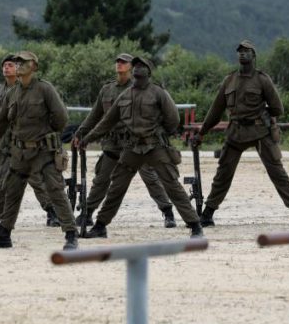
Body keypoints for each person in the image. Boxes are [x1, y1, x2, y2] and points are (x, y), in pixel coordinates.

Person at [80, 57, 202, 239]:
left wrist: (160, 133)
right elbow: (107, 121)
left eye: (141, 66)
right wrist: (87, 138)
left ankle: (195, 226)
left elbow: (173, 119)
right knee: (116, 187)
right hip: (132, 148)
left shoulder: (158, 92)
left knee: (172, 185)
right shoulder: (125, 95)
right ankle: (100, 226)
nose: (137, 69)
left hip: (155, 147)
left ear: (149, 72)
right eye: (135, 66)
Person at [195, 40, 289, 229]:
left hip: (260, 132)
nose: (242, 54)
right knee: (223, 174)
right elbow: (215, 112)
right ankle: (207, 215)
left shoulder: (262, 79)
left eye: (247, 51)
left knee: (277, 172)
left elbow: (277, 108)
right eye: (240, 51)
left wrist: (264, 115)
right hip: (236, 132)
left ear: (253, 56)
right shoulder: (229, 81)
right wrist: (202, 133)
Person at [0, 51, 79, 250]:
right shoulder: (12, 93)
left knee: (56, 191)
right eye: (17, 62)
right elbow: (0, 122)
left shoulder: (44, 89)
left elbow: (61, 118)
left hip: (44, 152)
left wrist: (47, 135)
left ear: (34, 67)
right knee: (11, 191)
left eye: (24, 62)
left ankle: (71, 235)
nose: (19, 64)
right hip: (19, 153)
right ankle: (4, 235)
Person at [73, 53, 177, 229]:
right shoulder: (107, 90)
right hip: (112, 143)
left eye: (124, 62)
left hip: (136, 144)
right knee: (102, 179)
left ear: (132, 67)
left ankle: (168, 213)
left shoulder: (140, 88)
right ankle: (87, 212)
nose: (119, 64)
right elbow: (95, 116)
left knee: (150, 178)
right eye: (118, 62)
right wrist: (81, 133)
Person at [0, 54, 58, 235]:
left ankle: (52, 212)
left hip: (23, 145)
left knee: (35, 179)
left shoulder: (29, 89)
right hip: (3, 145)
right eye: (4, 65)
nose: (7, 68)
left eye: (11, 65)